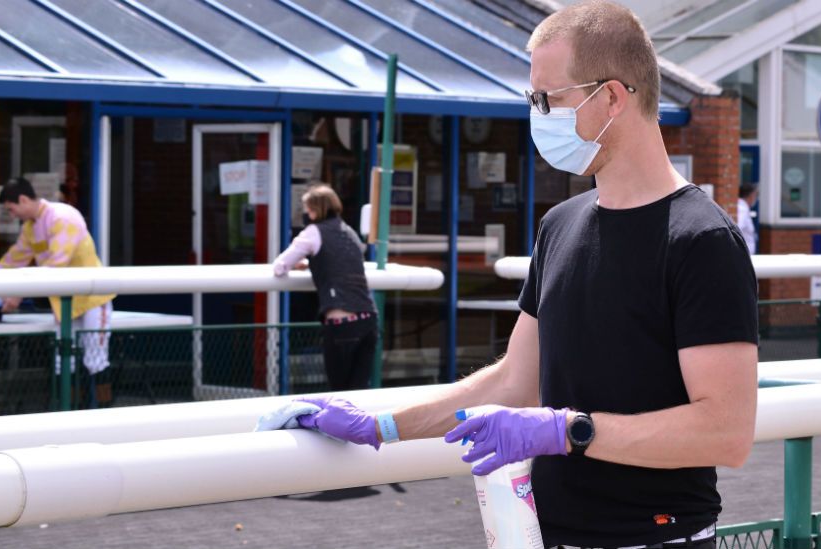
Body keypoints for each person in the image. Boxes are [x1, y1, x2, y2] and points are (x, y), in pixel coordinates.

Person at [275, 2, 759, 548]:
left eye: (548, 99)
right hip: (545, 533)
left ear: (613, 97)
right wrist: (380, 424)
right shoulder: (560, 226)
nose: (537, 113)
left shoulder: (702, 240)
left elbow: (725, 432)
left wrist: (567, 431)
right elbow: (514, 382)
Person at [0, 177, 116, 401]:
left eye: (11, 209)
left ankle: (105, 413)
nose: (12, 215)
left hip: (92, 299)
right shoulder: (31, 227)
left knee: (96, 359)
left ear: (23, 199)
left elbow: (57, 262)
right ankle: (69, 413)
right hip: (64, 301)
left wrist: (18, 294)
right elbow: (14, 259)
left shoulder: (63, 217)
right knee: (63, 360)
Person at [273, 184, 377, 390]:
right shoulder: (349, 231)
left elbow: (280, 266)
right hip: (369, 319)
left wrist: (304, 262)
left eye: (307, 209)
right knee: (359, 392)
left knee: (339, 392)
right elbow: (341, 263)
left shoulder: (313, 232)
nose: (305, 213)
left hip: (341, 323)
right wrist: (313, 263)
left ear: (315, 209)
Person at [737, 183, 759, 254]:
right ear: (751, 195)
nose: (756, 198)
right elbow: (737, 229)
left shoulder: (743, 208)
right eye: (755, 195)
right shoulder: (742, 209)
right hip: (743, 256)